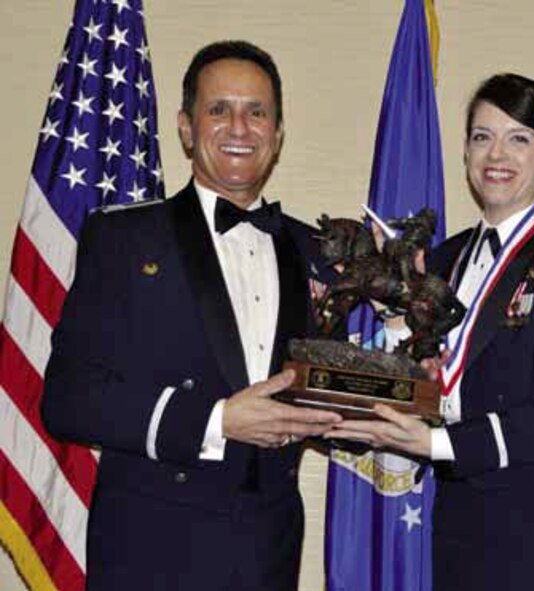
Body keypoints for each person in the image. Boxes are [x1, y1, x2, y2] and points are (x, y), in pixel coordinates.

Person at [41, 40, 342, 590]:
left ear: (277, 134)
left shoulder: (316, 250)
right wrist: (216, 420)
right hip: (152, 549)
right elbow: (69, 399)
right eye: (218, 109)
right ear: (185, 127)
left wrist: (403, 324)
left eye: (257, 112)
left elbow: (335, 393)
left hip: (266, 553)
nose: (239, 126)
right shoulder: (125, 238)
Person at [327, 73, 534, 590]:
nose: (496, 154)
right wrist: (395, 314)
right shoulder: (446, 257)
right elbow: (437, 372)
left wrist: (440, 444)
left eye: (519, 138)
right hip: (463, 528)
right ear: (464, 153)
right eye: (482, 137)